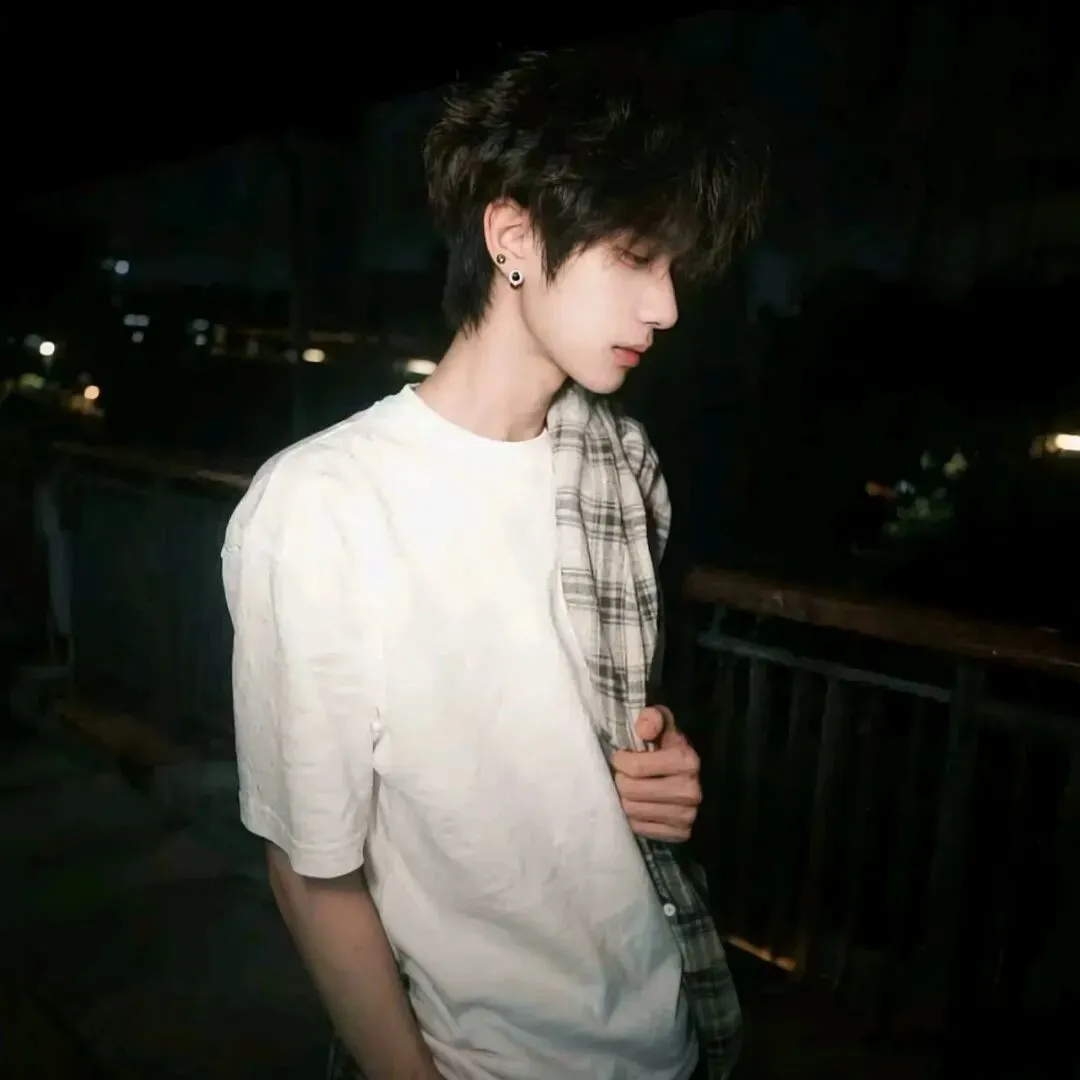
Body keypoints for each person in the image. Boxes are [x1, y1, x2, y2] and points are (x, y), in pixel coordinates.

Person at [222, 43, 764, 1080]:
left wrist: (658, 763)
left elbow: (588, 717)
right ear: (513, 236)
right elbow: (312, 874)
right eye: (636, 255)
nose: (667, 306)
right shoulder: (324, 506)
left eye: (675, 268)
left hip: (674, 1028)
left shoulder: (623, 462)